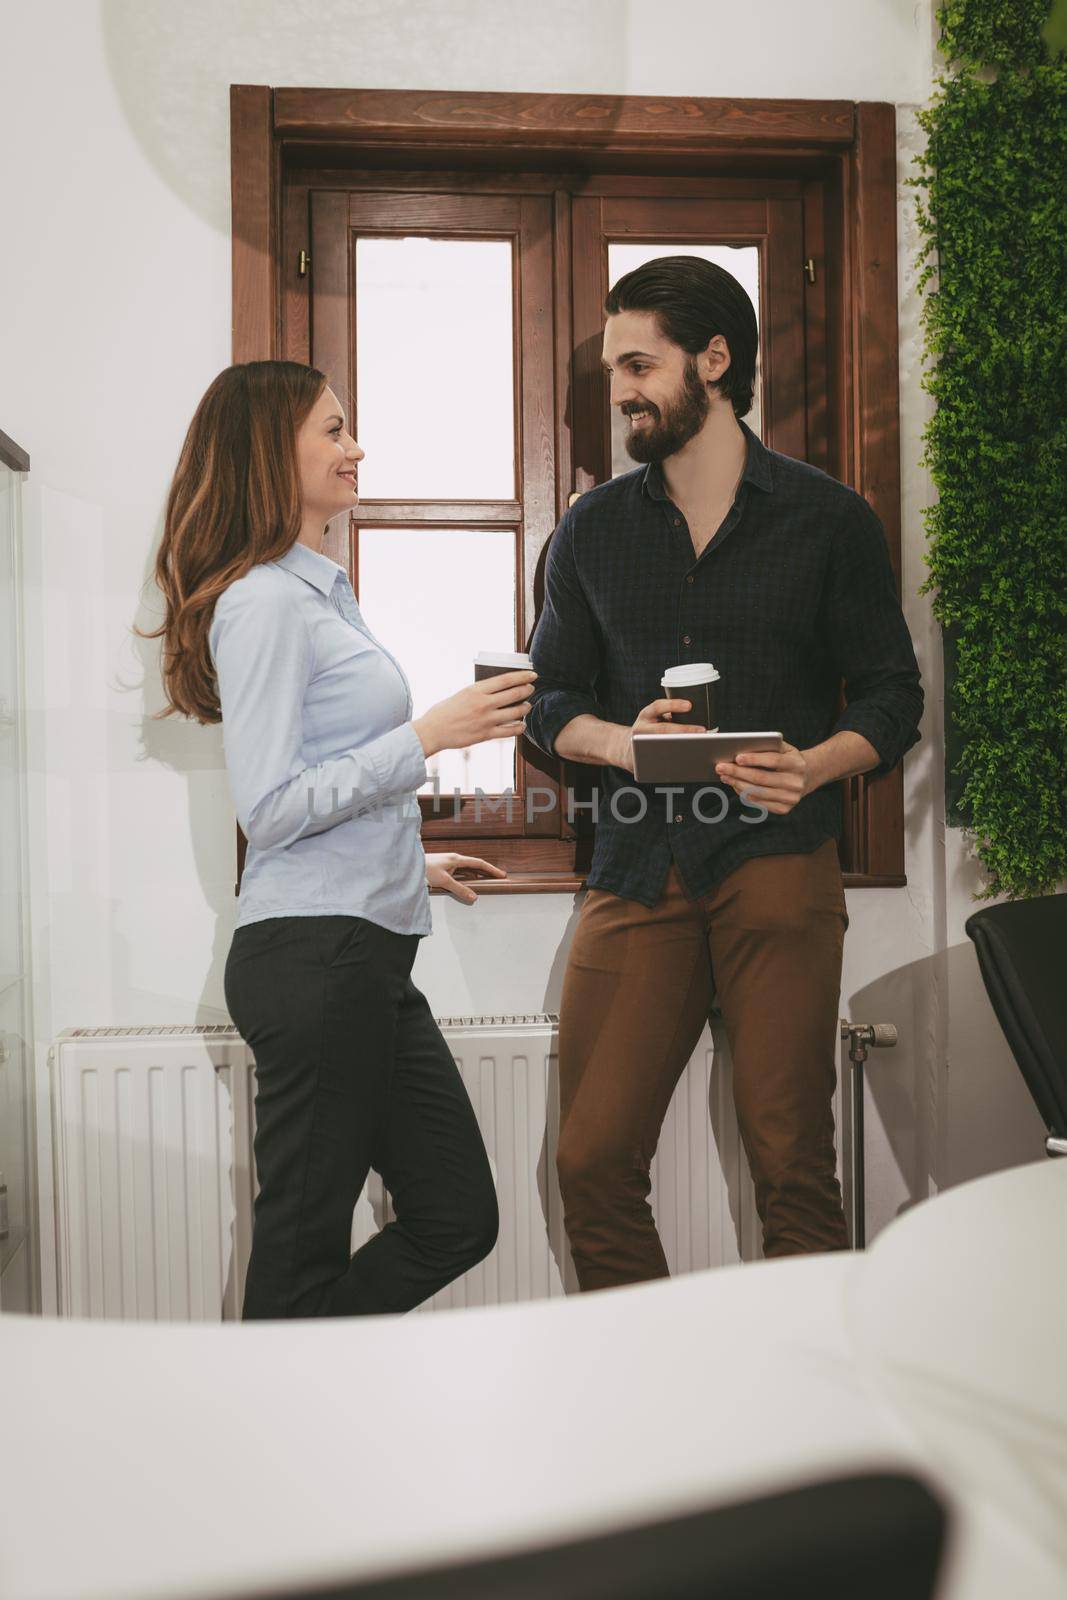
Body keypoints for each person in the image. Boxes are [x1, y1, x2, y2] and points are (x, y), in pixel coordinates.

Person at [526, 256, 923, 1289]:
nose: (617, 388)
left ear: (714, 360)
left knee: (793, 1166)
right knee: (590, 1159)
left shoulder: (827, 521)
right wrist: (623, 741)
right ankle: (660, 1400)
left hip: (778, 861)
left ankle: (805, 1425)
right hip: (635, 868)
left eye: (637, 362)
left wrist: (816, 765)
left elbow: (891, 696)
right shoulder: (589, 532)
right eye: (613, 366)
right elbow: (549, 703)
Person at [141, 359, 537, 1317]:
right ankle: (276, 1437)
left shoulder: (317, 592)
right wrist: (426, 738)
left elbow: (321, 782)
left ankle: (308, 1385)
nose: (355, 449)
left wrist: (414, 859)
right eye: (333, 430)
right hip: (318, 961)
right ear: (270, 453)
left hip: (359, 954)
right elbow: (270, 809)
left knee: (457, 1216)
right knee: (298, 1249)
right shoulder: (264, 603)